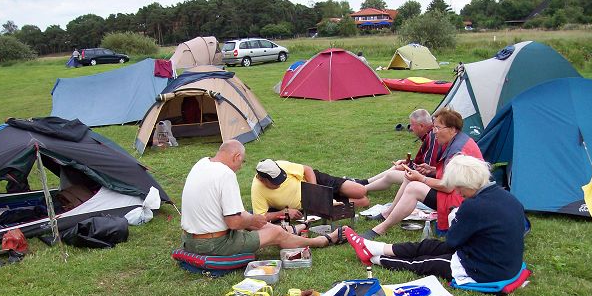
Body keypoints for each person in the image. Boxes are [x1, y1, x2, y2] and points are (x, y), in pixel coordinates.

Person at [345, 155, 525, 284]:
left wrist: (455, 216)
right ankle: (375, 247)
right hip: (502, 260)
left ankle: (375, 258)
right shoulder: (506, 196)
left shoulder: (474, 206)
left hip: (486, 270)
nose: (458, 192)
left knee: (426, 263)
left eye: (458, 187)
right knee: (431, 246)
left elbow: (453, 240)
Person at [181, 141, 345, 256]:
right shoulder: (226, 174)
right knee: (275, 233)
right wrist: (255, 220)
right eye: (242, 162)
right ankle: (320, 241)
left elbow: (232, 215)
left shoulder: (201, 164)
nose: (240, 166)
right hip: (214, 244)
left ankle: (291, 231)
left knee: (264, 226)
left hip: (189, 239)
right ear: (236, 156)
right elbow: (234, 222)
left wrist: (255, 220)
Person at [362, 108, 483, 239]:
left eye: (438, 128)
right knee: (410, 180)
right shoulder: (456, 141)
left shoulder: (457, 151)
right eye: (434, 127)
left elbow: (448, 187)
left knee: (414, 188)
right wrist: (433, 170)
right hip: (462, 192)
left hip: (464, 198)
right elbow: (458, 174)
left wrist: (422, 178)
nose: (434, 132)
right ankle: (387, 213)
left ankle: (381, 228)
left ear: (453, 129)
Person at [351, 109, 443, 193]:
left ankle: (360, 189)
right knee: (397, 167)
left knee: (391, 175)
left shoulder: (432, 137)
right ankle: (364, 182)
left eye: (412, 125)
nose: (411, 128)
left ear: (421, 126)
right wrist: (409, 163)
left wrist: (409, 166)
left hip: (431, 180)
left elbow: (426, 169)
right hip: (433, 176)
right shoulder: (430, 135)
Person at [251, 159, 369, 221]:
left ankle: (345, 184)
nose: (280, 183)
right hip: (308, 207)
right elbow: (261, 216)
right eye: (275, 182)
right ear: (262, 179)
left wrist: (315, 190)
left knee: (361, 191)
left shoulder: (281, 165)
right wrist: (284, 212)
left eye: (281, 178)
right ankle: (333, 200)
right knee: (364, 202)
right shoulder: (257, 189)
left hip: (314, 182)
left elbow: (307, 170)